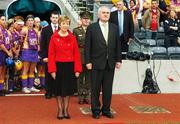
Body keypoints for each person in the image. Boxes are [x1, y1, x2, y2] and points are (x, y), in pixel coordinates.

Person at [85, 6, 122, 119]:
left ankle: (106, 109)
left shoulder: (115, 28)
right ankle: (96, 110)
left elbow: (118, 45)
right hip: (95, 63)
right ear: (98, 14)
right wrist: (88, 61)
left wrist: (118, 60)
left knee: (108, 88)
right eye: (104, 13)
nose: (106, 14)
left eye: (107, 13)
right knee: (95, 88)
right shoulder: (92, 28)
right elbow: (87, 46)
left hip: (110, 63)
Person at [48, 15, 82, 119]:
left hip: (69, 66)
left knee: (67, 90)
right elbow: (51, 54)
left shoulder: (72, 37)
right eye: (63, 23)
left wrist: (77, 69)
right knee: (58, 91)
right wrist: (52, 70)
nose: (65, 25)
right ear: (59, 24)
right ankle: (59, 110)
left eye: (67, 23)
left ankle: (66, 110)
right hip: (58, 66)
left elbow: (76, 54)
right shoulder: (54, 37)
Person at [73, 11, 91, 105]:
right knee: (79, 77)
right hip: (80, 56)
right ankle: (80, 95)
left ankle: (87, 94)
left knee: (89, 78)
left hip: (90, 57)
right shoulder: (76, 30)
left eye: (87, 19)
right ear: (81, 20)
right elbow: (74, 45)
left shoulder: (93, 29)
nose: (86, 20)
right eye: (84, 19)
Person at [40, 11, 59, 99]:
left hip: (60, 56)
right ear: (50, 18)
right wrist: (44, 56)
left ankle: (56, 91)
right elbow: (42, 44)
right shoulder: (45, 29)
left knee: (58, 74)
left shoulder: (62, 28)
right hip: (48, 56)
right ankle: (48, 91)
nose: (55, 19)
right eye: (53, 17)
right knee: (48, 73)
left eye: (56, 17)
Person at [20, 15, 40, 93]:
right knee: (25, 69)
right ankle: (24, 87)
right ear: (26, 22)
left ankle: (31, 86)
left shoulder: (36, 31)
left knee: (32, 70)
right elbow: (20, 41)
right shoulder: (24, 30)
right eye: (29, 20)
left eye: (32, 20)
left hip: (34, 51)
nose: (30, 22)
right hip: (27, 51)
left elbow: (38, 43)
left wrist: (38, 50)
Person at [0, 15, 13, 96]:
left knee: (4, 71)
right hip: (1, 52)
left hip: (6, 53)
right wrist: (7, 52)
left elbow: (9, 43)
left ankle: (1, 88)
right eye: (2, 19)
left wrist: (10, 51)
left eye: (5, 19)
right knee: (0, 70)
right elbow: (0, 44)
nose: (4, 21)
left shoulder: (6, 31)